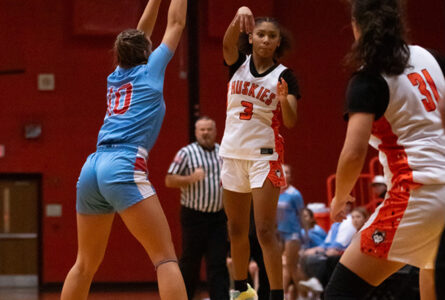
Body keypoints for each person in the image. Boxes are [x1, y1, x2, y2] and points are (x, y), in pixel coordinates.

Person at [60, 0, 188, 299]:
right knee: (165, 258)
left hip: (92, 167)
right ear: (146, 53)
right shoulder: (150, 71)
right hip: (124, 163)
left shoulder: (116, 75)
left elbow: (140, 35)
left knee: (84, 264)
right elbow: (177, 24)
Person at [327, 0, 445, 299]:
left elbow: (353, 154)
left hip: (417, 195)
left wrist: (340, 198)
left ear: (357, 26)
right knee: (430, 281)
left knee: (339, 294)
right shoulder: (430, 57)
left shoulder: (368, 79)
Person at [220, 6, 301, 300]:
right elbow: (227, 44)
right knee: (236, 229)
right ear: (251, 38)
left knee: (265, 230)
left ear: (279, 42)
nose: (266, 40)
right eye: (261, 34)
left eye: (272, 36)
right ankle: (241, 290)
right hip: (232, 154)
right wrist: (237, 14)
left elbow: (291, 121)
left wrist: (284, 101)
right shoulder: (237, 65)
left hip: (264, 156)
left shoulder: (285, 76)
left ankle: (276, 294)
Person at [165, 116, 230, 300]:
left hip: (218, 217)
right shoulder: (186, 153)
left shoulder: (222, 152)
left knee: (218, 264)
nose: (205, 133)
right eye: (202, 130)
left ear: (215, 132)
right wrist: (190, 178)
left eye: (209, 129)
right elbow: (169, 180)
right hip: (193, 217)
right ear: (196, 132)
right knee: (190, 263)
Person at [299, 207, 368, 294]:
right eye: (353, 217)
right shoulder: (340, 227)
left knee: (327, 260)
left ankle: (319, 284)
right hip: (340, 253)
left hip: (357, 260)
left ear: (365, 219)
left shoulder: (363, 232)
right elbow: (329, 243)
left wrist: (336, 251)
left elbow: (350, 247)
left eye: (358, 217)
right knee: (305, 258)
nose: (355, 220)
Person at [276, 164, 304, 299]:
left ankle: (306, 295)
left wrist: (306, 235)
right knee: (281, 266)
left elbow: (302, 215)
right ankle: (290, 294)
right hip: (278, 234)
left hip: (292, 234)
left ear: (290, 176)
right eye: (281, 172)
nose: (284, 174)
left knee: (291, 266)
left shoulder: (295, 194)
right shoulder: (274, 192)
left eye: (287, 172)